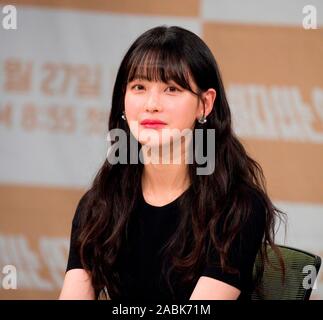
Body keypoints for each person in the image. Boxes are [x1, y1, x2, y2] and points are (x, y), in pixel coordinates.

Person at [59, 25, 285, 301]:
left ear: (205, 104)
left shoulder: (237, 207)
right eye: (139, 87)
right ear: (123, 99)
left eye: (171, 89)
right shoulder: (100, 204)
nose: (151, 104)